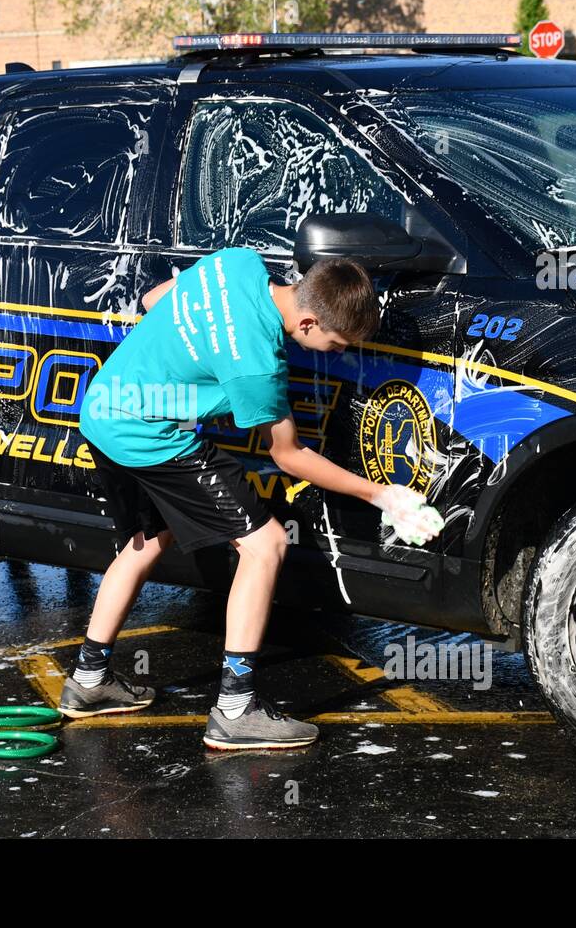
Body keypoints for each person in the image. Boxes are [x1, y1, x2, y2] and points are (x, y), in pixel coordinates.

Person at [64, 246, 444, 749]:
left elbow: (155, 299)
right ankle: (237, 709)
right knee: (265, 544)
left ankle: (89, 681)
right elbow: (288, 456)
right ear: (307, 322)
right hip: (150, 436)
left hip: (105, 409)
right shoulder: (258, 368)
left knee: (147, 540)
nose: (336, 354)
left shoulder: (235, 263)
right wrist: (383, 495)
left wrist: (192, 364)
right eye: (335, 344)